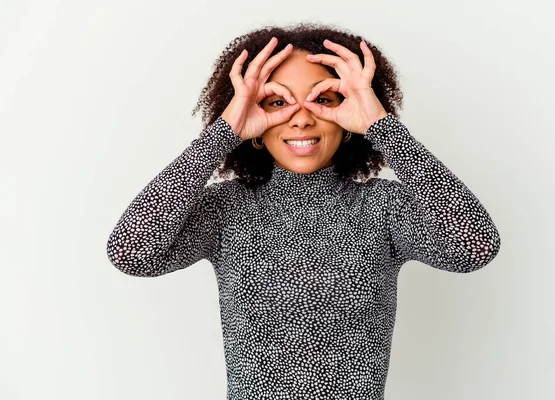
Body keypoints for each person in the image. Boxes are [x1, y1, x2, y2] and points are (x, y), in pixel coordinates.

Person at [106, 23, 501, 400]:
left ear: (349, 115)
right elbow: (131, 254)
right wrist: (222, 134)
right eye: (276, 102)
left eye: (323, 99)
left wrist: (383, 127)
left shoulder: (383, 208)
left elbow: (474, 247)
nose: (300, 116)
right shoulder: (227, 209)